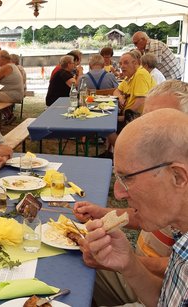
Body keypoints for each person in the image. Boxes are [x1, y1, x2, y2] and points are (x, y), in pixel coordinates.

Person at [85, 108, 188, 307]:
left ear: (178, 177)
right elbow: (165, 301)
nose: (118, 193)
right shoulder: (180, 230)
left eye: (127, 178)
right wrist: (128, 264)